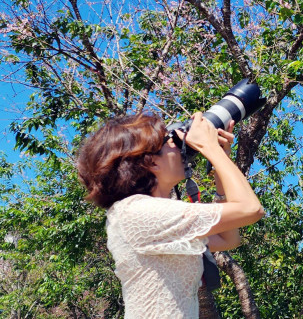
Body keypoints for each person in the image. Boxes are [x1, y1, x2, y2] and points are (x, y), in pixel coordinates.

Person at [77, 111, 264, 318]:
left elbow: (227, 238)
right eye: (169, 140)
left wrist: (220, 160)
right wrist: (211, 149)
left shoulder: (153, 215)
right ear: (151, 162)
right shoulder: (137, 212)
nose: (179, 144)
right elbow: (251, 209)